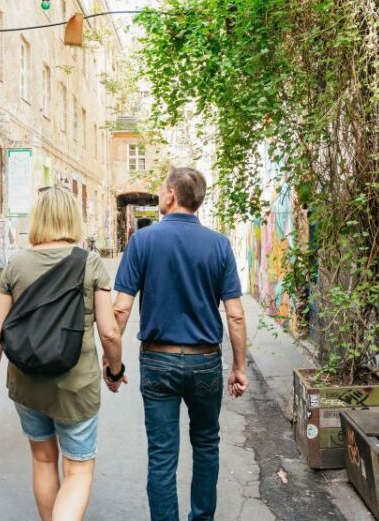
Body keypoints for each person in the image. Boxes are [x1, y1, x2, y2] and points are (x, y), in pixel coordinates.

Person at [0, 186, 124, 521]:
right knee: (77, 470)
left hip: (26, 381)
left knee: (43, 459)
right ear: (73, 218)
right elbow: (109, 331)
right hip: (76, 385)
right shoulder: (90, 264)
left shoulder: (16, 264)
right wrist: (114, 370)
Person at [113, 167, 248, 521]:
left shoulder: (142, 242)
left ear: (172, 194)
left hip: (158, 362)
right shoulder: (219, 245)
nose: (159, 194)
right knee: (206, 445)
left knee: (162, 455)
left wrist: (111, 363)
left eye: (160, 189)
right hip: (205, 363)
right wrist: (238, 367)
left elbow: (121, 308)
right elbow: (235, 315)